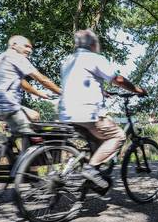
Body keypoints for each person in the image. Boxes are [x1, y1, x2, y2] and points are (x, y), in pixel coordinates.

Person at [59, 29, 147, 189]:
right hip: (88, 113)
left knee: (98, 143)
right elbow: (118, 80)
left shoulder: (69, 60)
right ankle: (90, 170)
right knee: (118, 136)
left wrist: (102, 91)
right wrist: (137, 89)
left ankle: (92, 182)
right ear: (93, 44)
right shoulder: (94, 58)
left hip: (67, 113)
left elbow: (78, 83)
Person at [0, 35, 62, 134]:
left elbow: (22, 83)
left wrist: (38, 93)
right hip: (7, 105)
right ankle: (27, 148)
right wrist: (62, 92)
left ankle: (8, 145)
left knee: (34, 115)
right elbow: (42, 79)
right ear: (14, 45)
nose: (30, 50)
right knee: (30, 135)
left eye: (30, 47)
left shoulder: (0, 58)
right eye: (26, 46)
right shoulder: (16, 57)